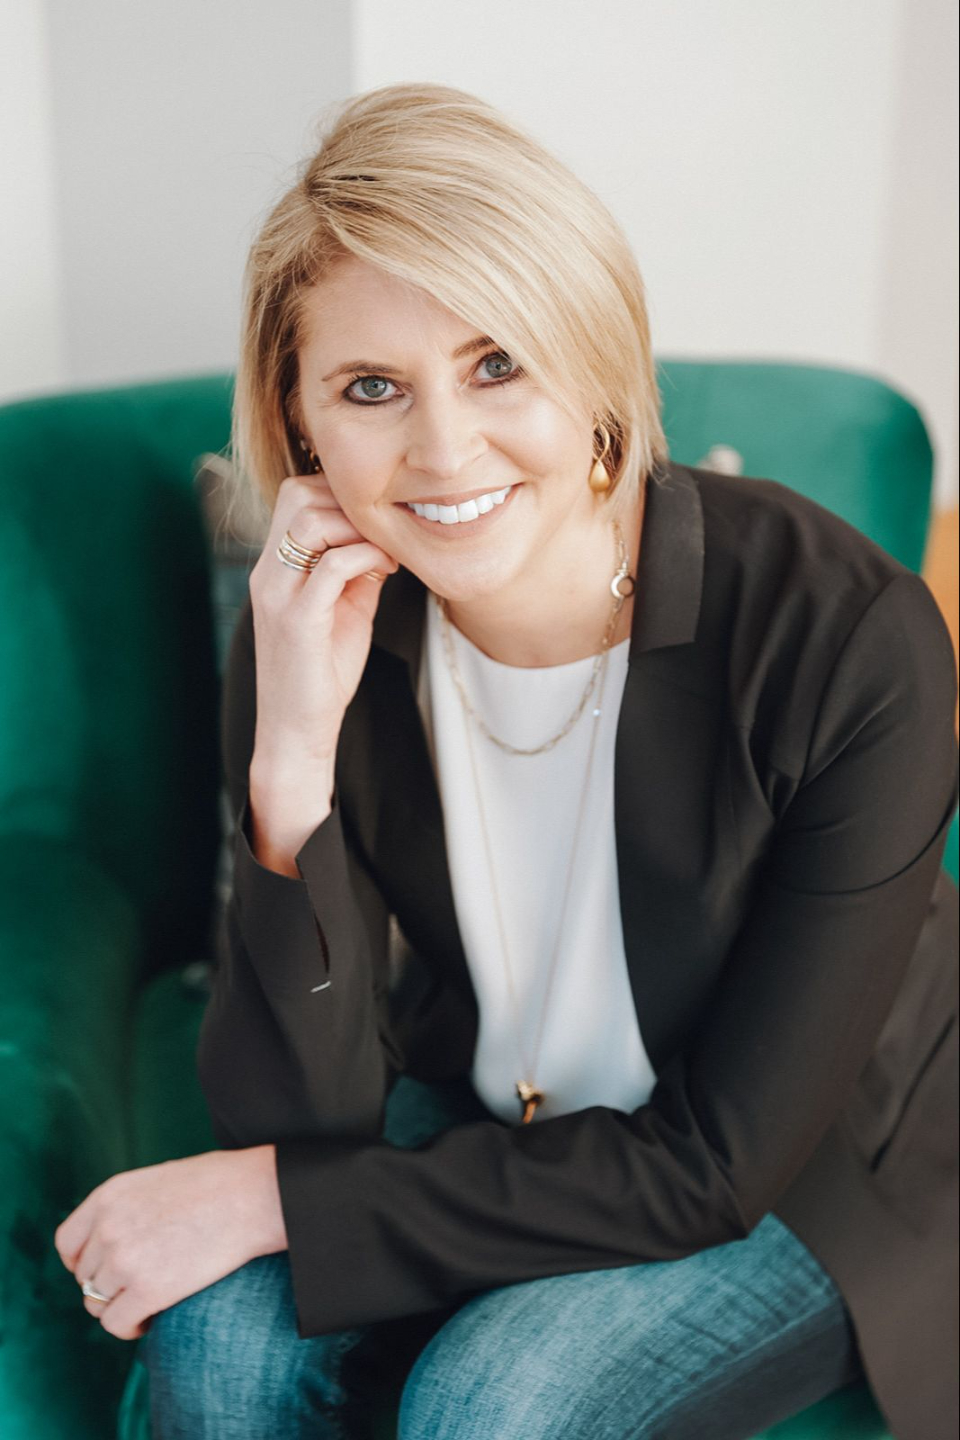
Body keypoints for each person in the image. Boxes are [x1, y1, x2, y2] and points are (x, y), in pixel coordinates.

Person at [54, 83, 958, 1440]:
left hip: (804, 1163)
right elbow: (295, 1116)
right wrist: (290, 765)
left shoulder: (845, 633)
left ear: (593, 358)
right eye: (371, 388)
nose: (443, 450)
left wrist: (266, 1202)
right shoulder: (319, 627)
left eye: (498, 363)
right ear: (303, 426)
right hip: (491, 1108)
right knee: (220, 1340)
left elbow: (718, 1162)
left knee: (493, 1400)